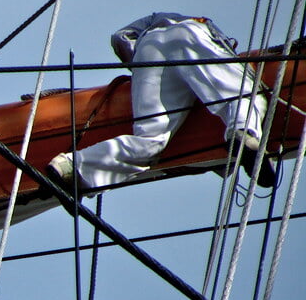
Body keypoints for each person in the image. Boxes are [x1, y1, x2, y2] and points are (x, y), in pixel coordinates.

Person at [46, 12, 273, 193]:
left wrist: (142, 73)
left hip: (148, 49)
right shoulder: (196, 26)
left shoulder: (152, 23)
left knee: (150, 139)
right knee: (242, 92)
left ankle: (72, 167)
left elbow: (120, 37)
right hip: (191, 33)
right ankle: (245, 130)